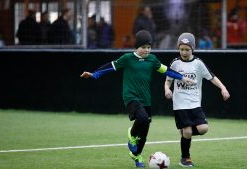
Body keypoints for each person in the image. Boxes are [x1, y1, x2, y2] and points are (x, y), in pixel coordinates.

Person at [80, 30, 193, 168]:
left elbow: (167, 70)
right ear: (137, 47)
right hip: (131, 96)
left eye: (149, 47)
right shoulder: (127, 58)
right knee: (143, 119)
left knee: (144, 132)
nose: (146, 50)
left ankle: (136, 155)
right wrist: (94, 74)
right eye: (143, 47)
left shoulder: (152, 60)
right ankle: (131, 134)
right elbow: (110, 66)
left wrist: (182, 77)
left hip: (146, 100)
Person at [164, 33, 230, 167]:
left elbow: (212, 77)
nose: (184, 52)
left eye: (187, 49)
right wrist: (167, 89)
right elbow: (168, 81)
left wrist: (223, 88)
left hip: (194, 103)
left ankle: (184, 133)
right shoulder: (175, 63)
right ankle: (185, 158)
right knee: (188, 131)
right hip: (180, 104)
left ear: (193, 49)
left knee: (203, 128)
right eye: (181, 49)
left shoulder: (198, 63)